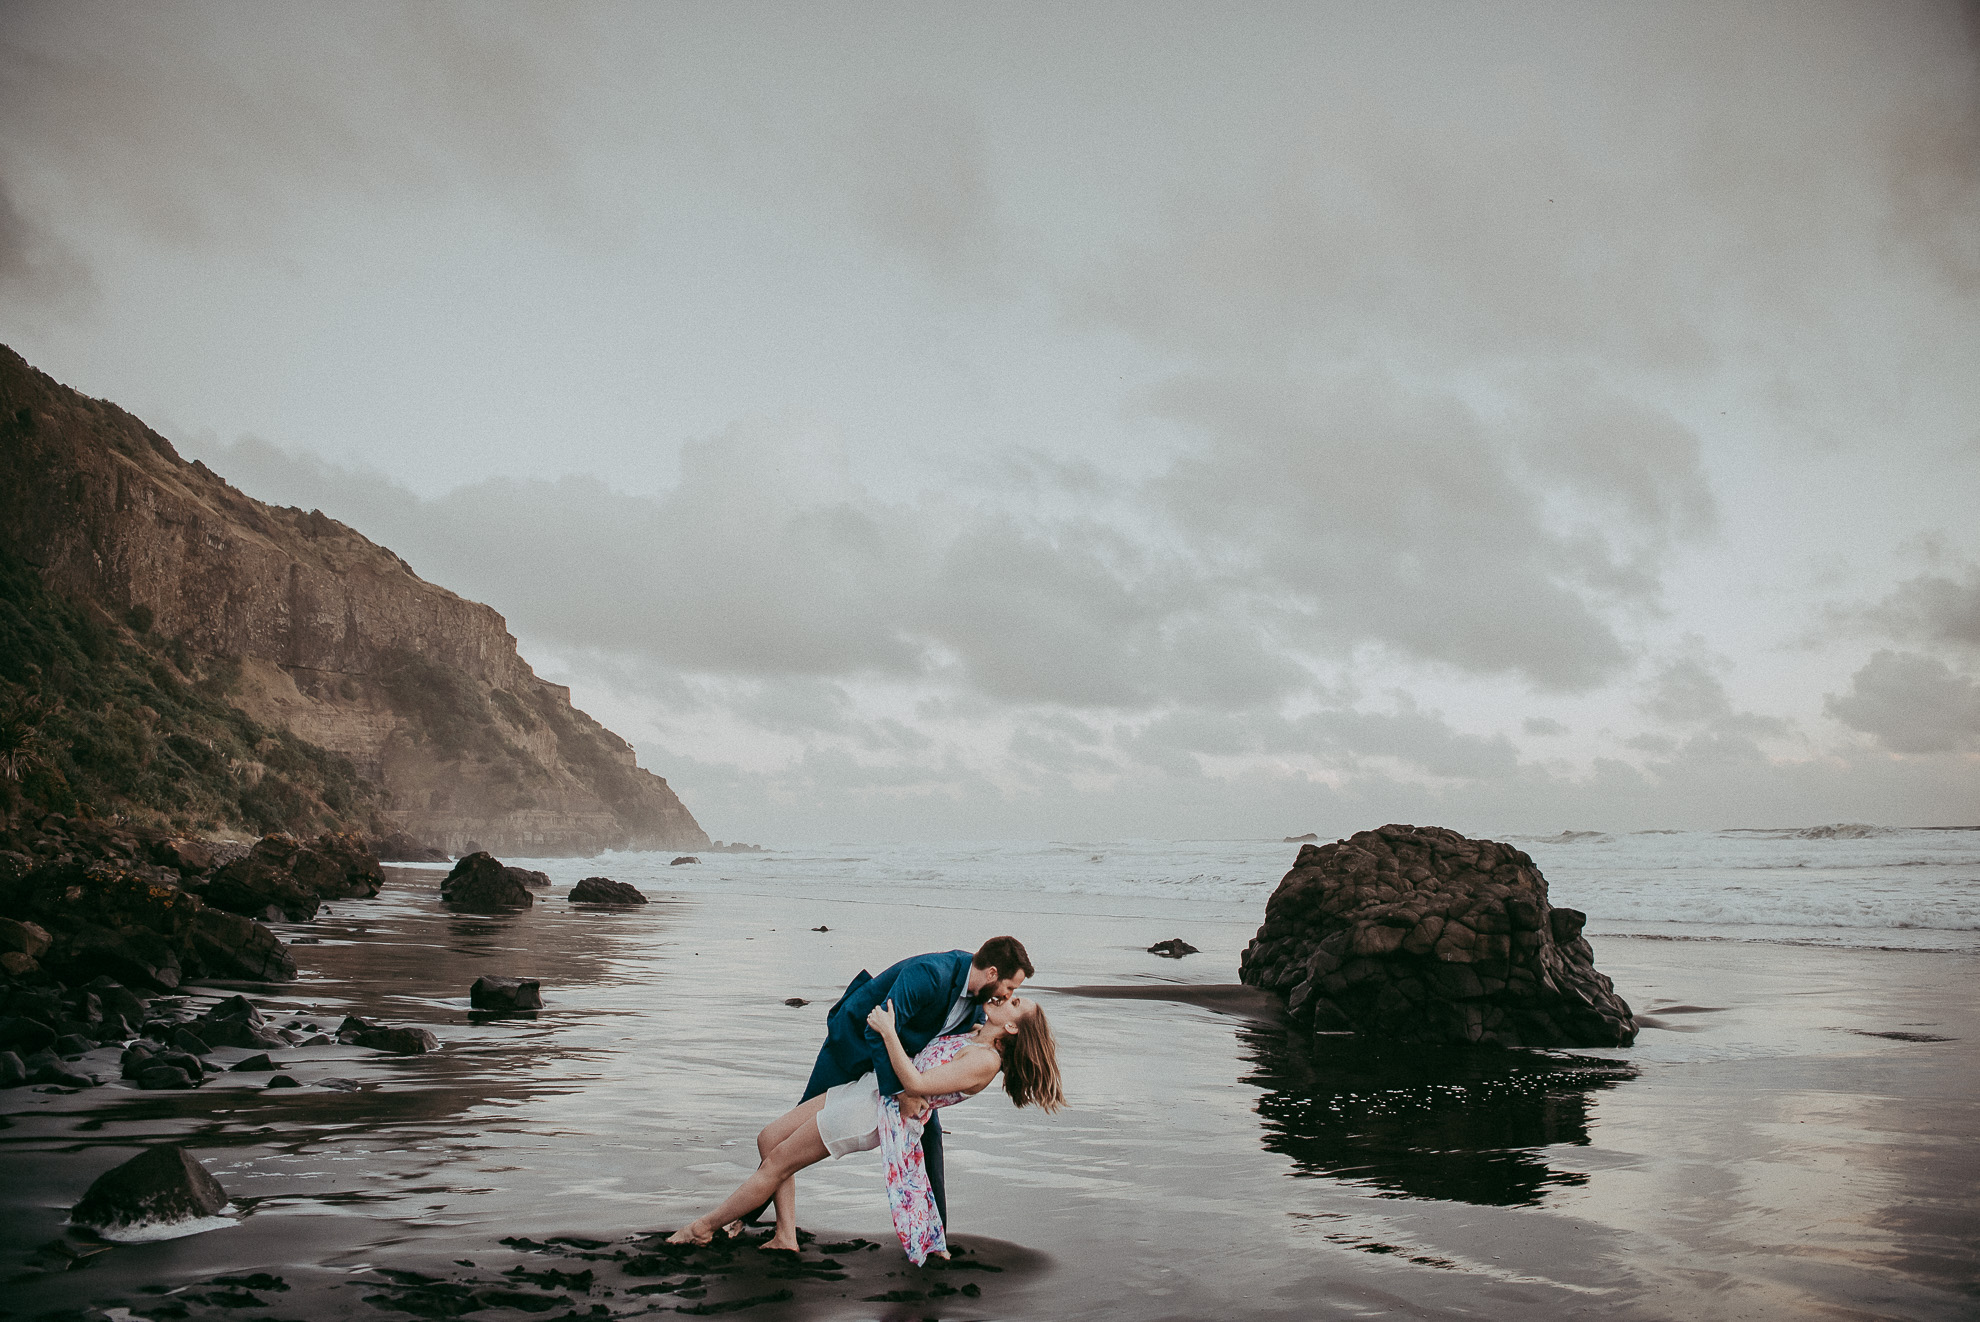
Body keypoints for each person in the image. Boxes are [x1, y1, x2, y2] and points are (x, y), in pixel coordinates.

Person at [668, 988, 1063, 1262]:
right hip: (867, 1089)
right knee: (769, 1138)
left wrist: (888, 1032)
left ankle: (703, 1227)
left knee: (779, 1164)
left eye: (1013, 1003)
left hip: (873, 1114)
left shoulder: (985, 1062)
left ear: (1012, 1027)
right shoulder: (974, 1035)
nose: (1003, 998)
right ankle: (785, 1236)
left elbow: (918, 1084)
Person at [788, 936, 1034, 1231]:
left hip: (904, 1065)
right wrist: (903, 1092)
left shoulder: (978, 998)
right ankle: (750, 1215)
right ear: (993, 974)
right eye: (1010, 989)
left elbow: (962, 1036)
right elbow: (875, 1030)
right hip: (853, 1045)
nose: (1006, 997)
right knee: (790, 1134)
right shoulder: (932, 974)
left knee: (931, 1139)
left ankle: (937, 1235)